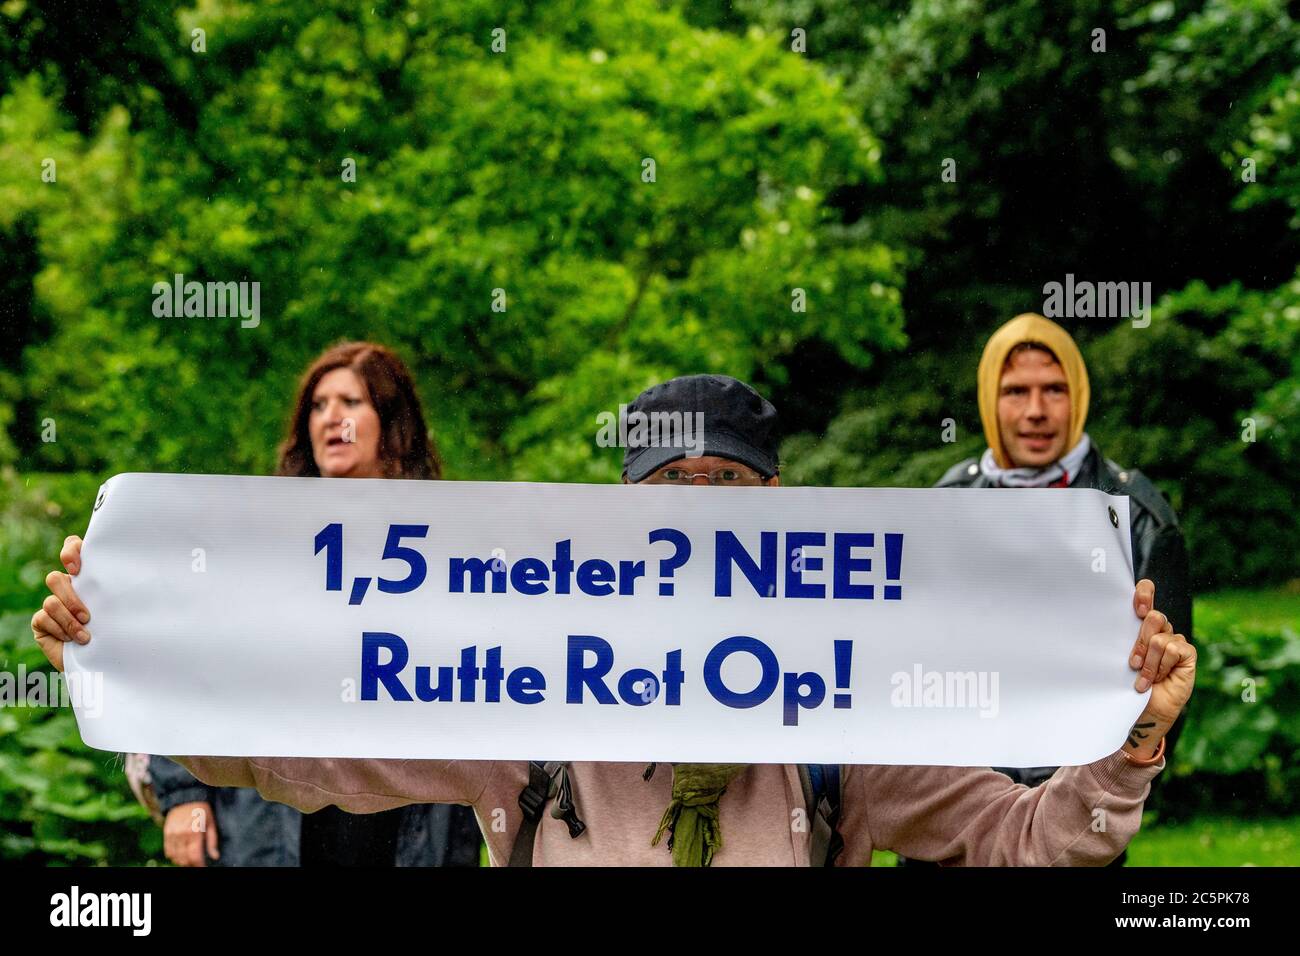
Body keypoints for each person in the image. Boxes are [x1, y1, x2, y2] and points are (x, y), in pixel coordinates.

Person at [33, 374, 1195, 866]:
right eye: (664, 498)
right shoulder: (523, 692)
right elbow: (303, 754)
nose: (692, 524)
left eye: (723, 493)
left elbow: (1034, 839)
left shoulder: (845, 701)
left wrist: (1130, 736)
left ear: (779, 511)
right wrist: (137, 653)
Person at [35, 341, 482, 868]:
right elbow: (183, 658)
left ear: (394, 421)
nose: (330, 417)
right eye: (317, 405)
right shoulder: (253, 541)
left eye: (351, 401)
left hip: (413, 831)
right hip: (274, 826)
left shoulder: (455, 557)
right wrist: (183, 795)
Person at [893, 315, 1194, 868]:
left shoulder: (1137, 514)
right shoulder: (945, 503)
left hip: (1076, 822)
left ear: (1077, 395)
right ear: (990, 398)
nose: (1035, 410)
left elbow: (1167, 687)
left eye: (1053, 389)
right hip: (947, 820)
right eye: (1015, 392)